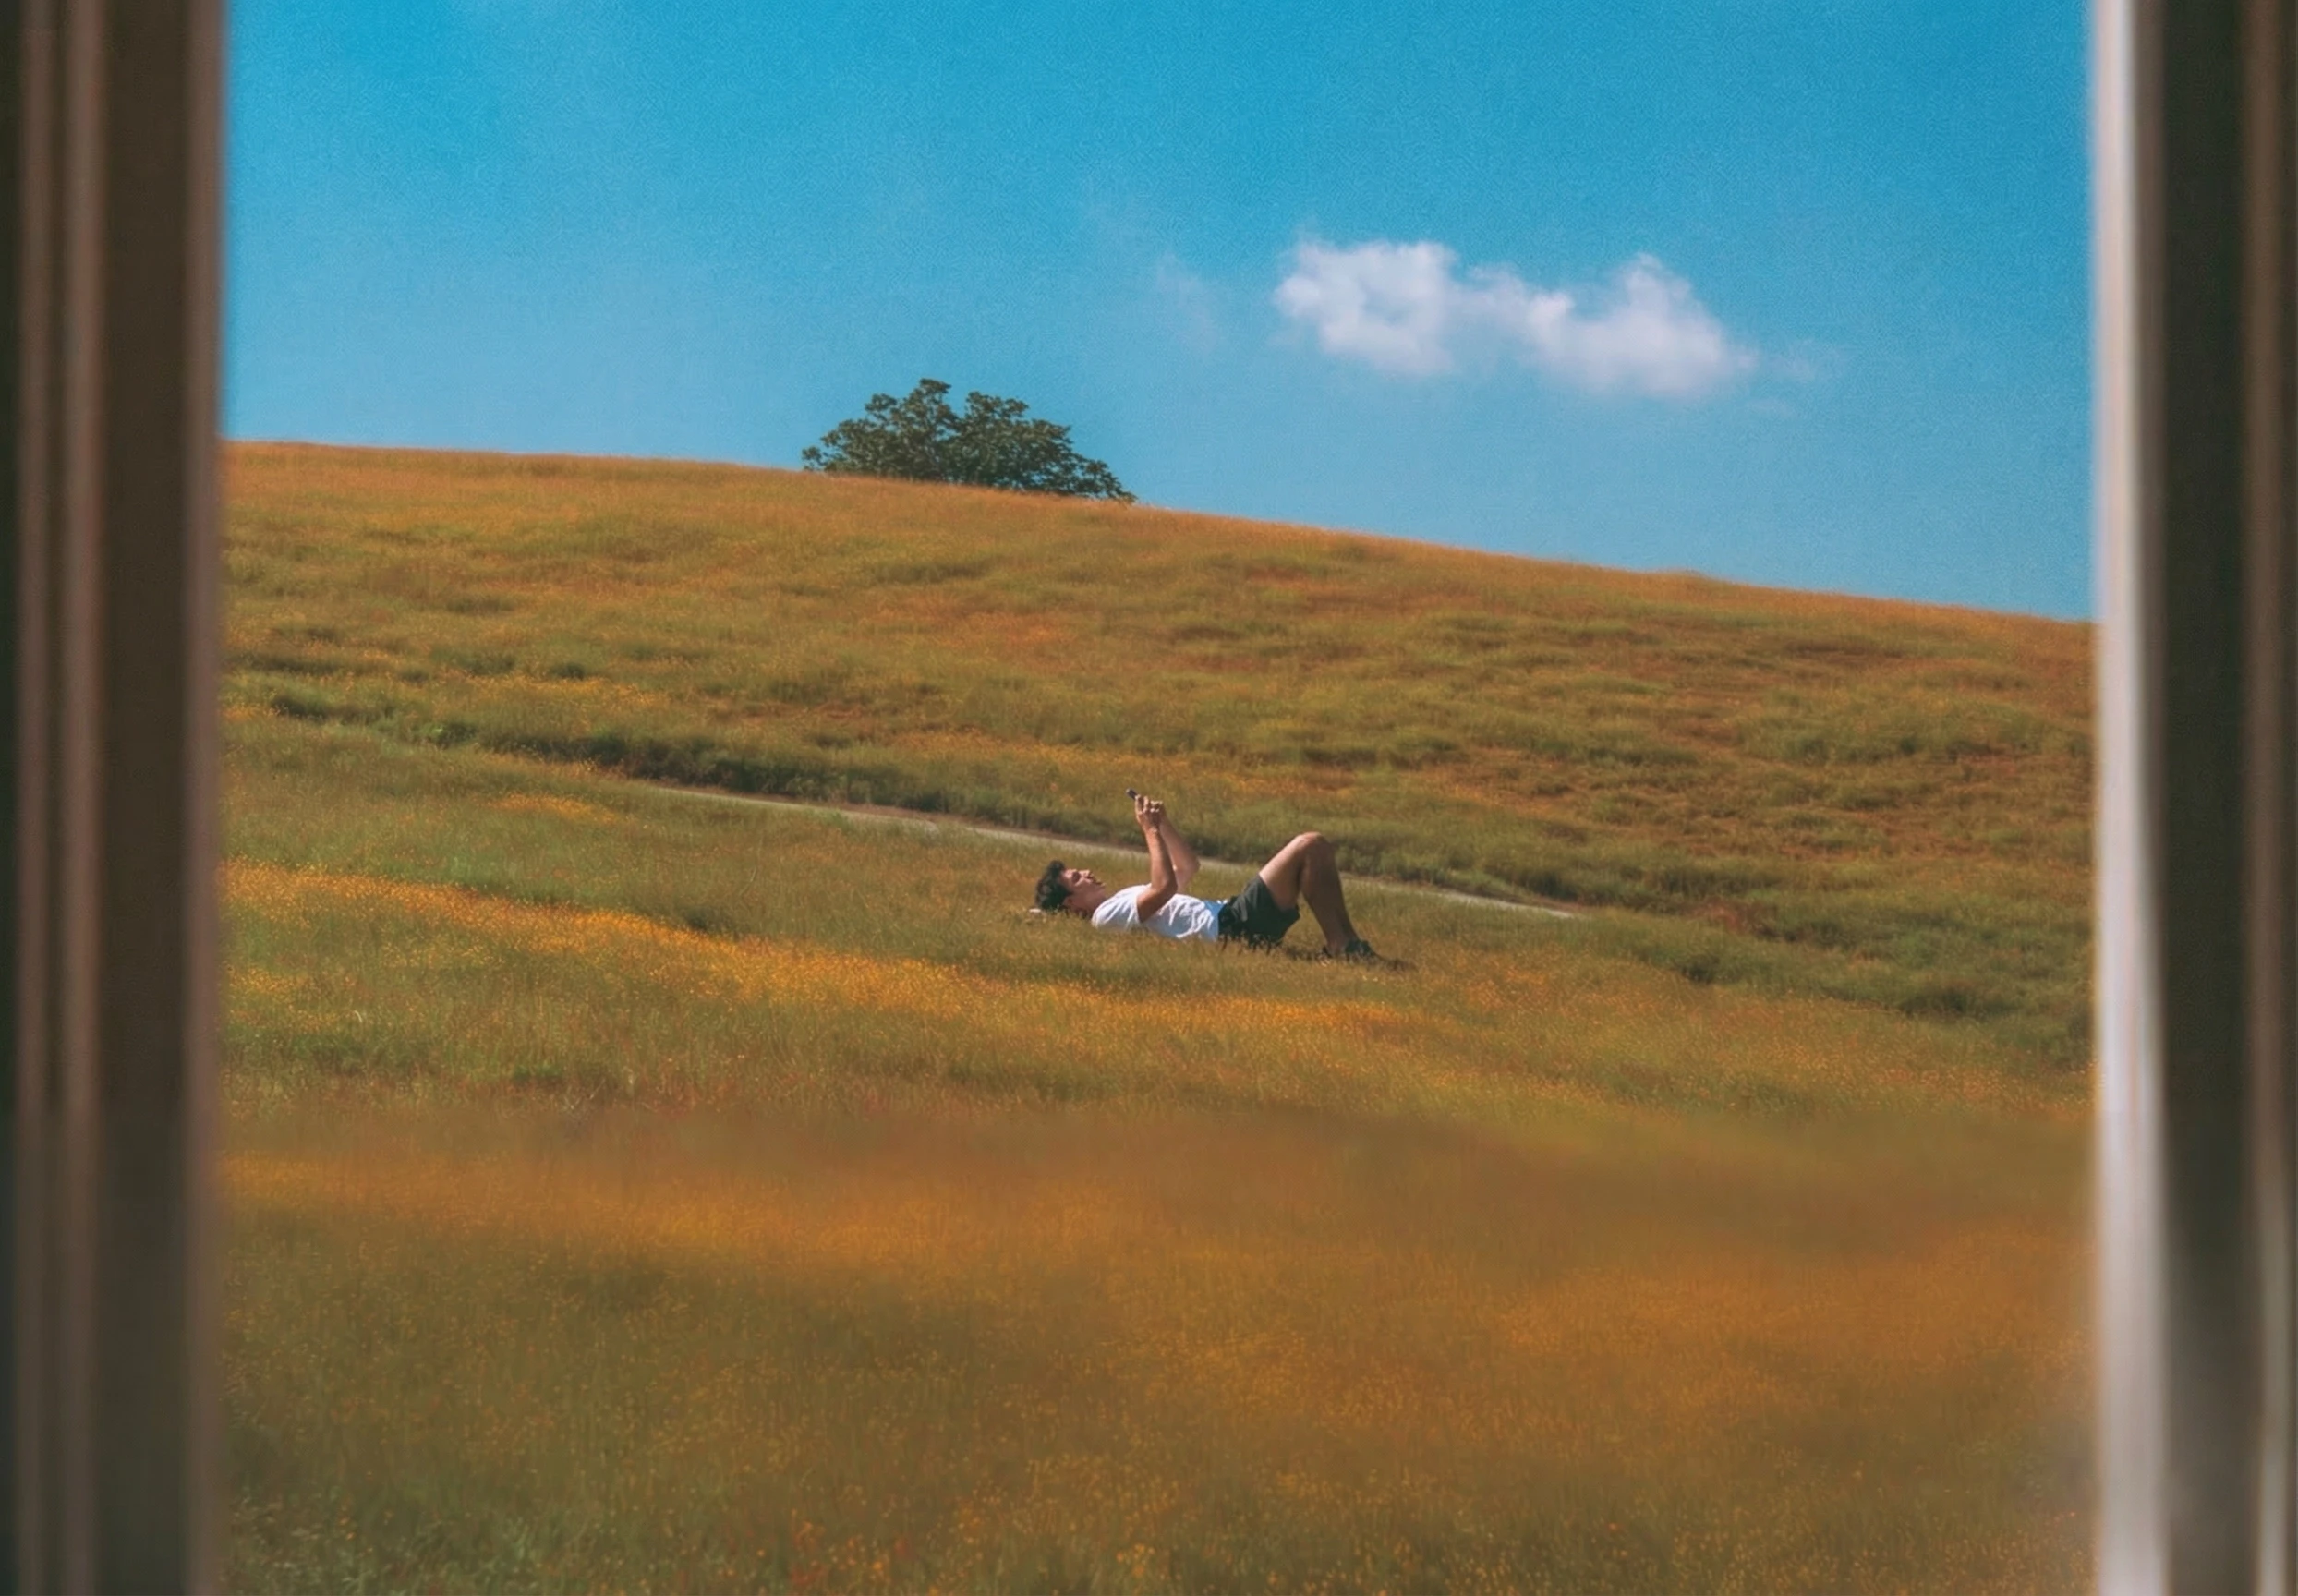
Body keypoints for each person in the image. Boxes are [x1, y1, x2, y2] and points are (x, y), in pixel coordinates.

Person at [1034, 793, 1379, 961]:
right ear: (1072, 903)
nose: (1087, 873)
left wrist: (1163, 823)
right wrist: (1149, 830)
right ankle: (1342, 947)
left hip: (1233, 918)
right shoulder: (1104, 918)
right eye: (1077, 877)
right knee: (1310, 845)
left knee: (1315, 850)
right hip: (1232, 927)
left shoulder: (1122, 900)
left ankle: (1349, 945)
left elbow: (1187, 867)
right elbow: (1165, 886)